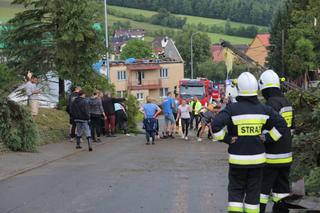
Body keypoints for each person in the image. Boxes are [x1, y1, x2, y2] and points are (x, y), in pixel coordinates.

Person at [211, 72, 288, 213]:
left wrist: (227, 139)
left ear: (239, 89)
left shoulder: (232, 109)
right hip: (257, 162)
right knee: (253, 194)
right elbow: (282, 125)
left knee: (236, 192)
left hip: (237, 161)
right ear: (255, 89)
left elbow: (215, 125)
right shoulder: (264, 109)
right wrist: (268, 138)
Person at [259, 70, 294, 213]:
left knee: (262, 191)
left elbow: (267, 130)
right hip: (286, 155)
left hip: (272, 157)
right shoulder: (287, 102)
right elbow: (291, 128)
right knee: (282, 190)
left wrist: (264, 138)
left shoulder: (270, 104)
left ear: (265, 88)